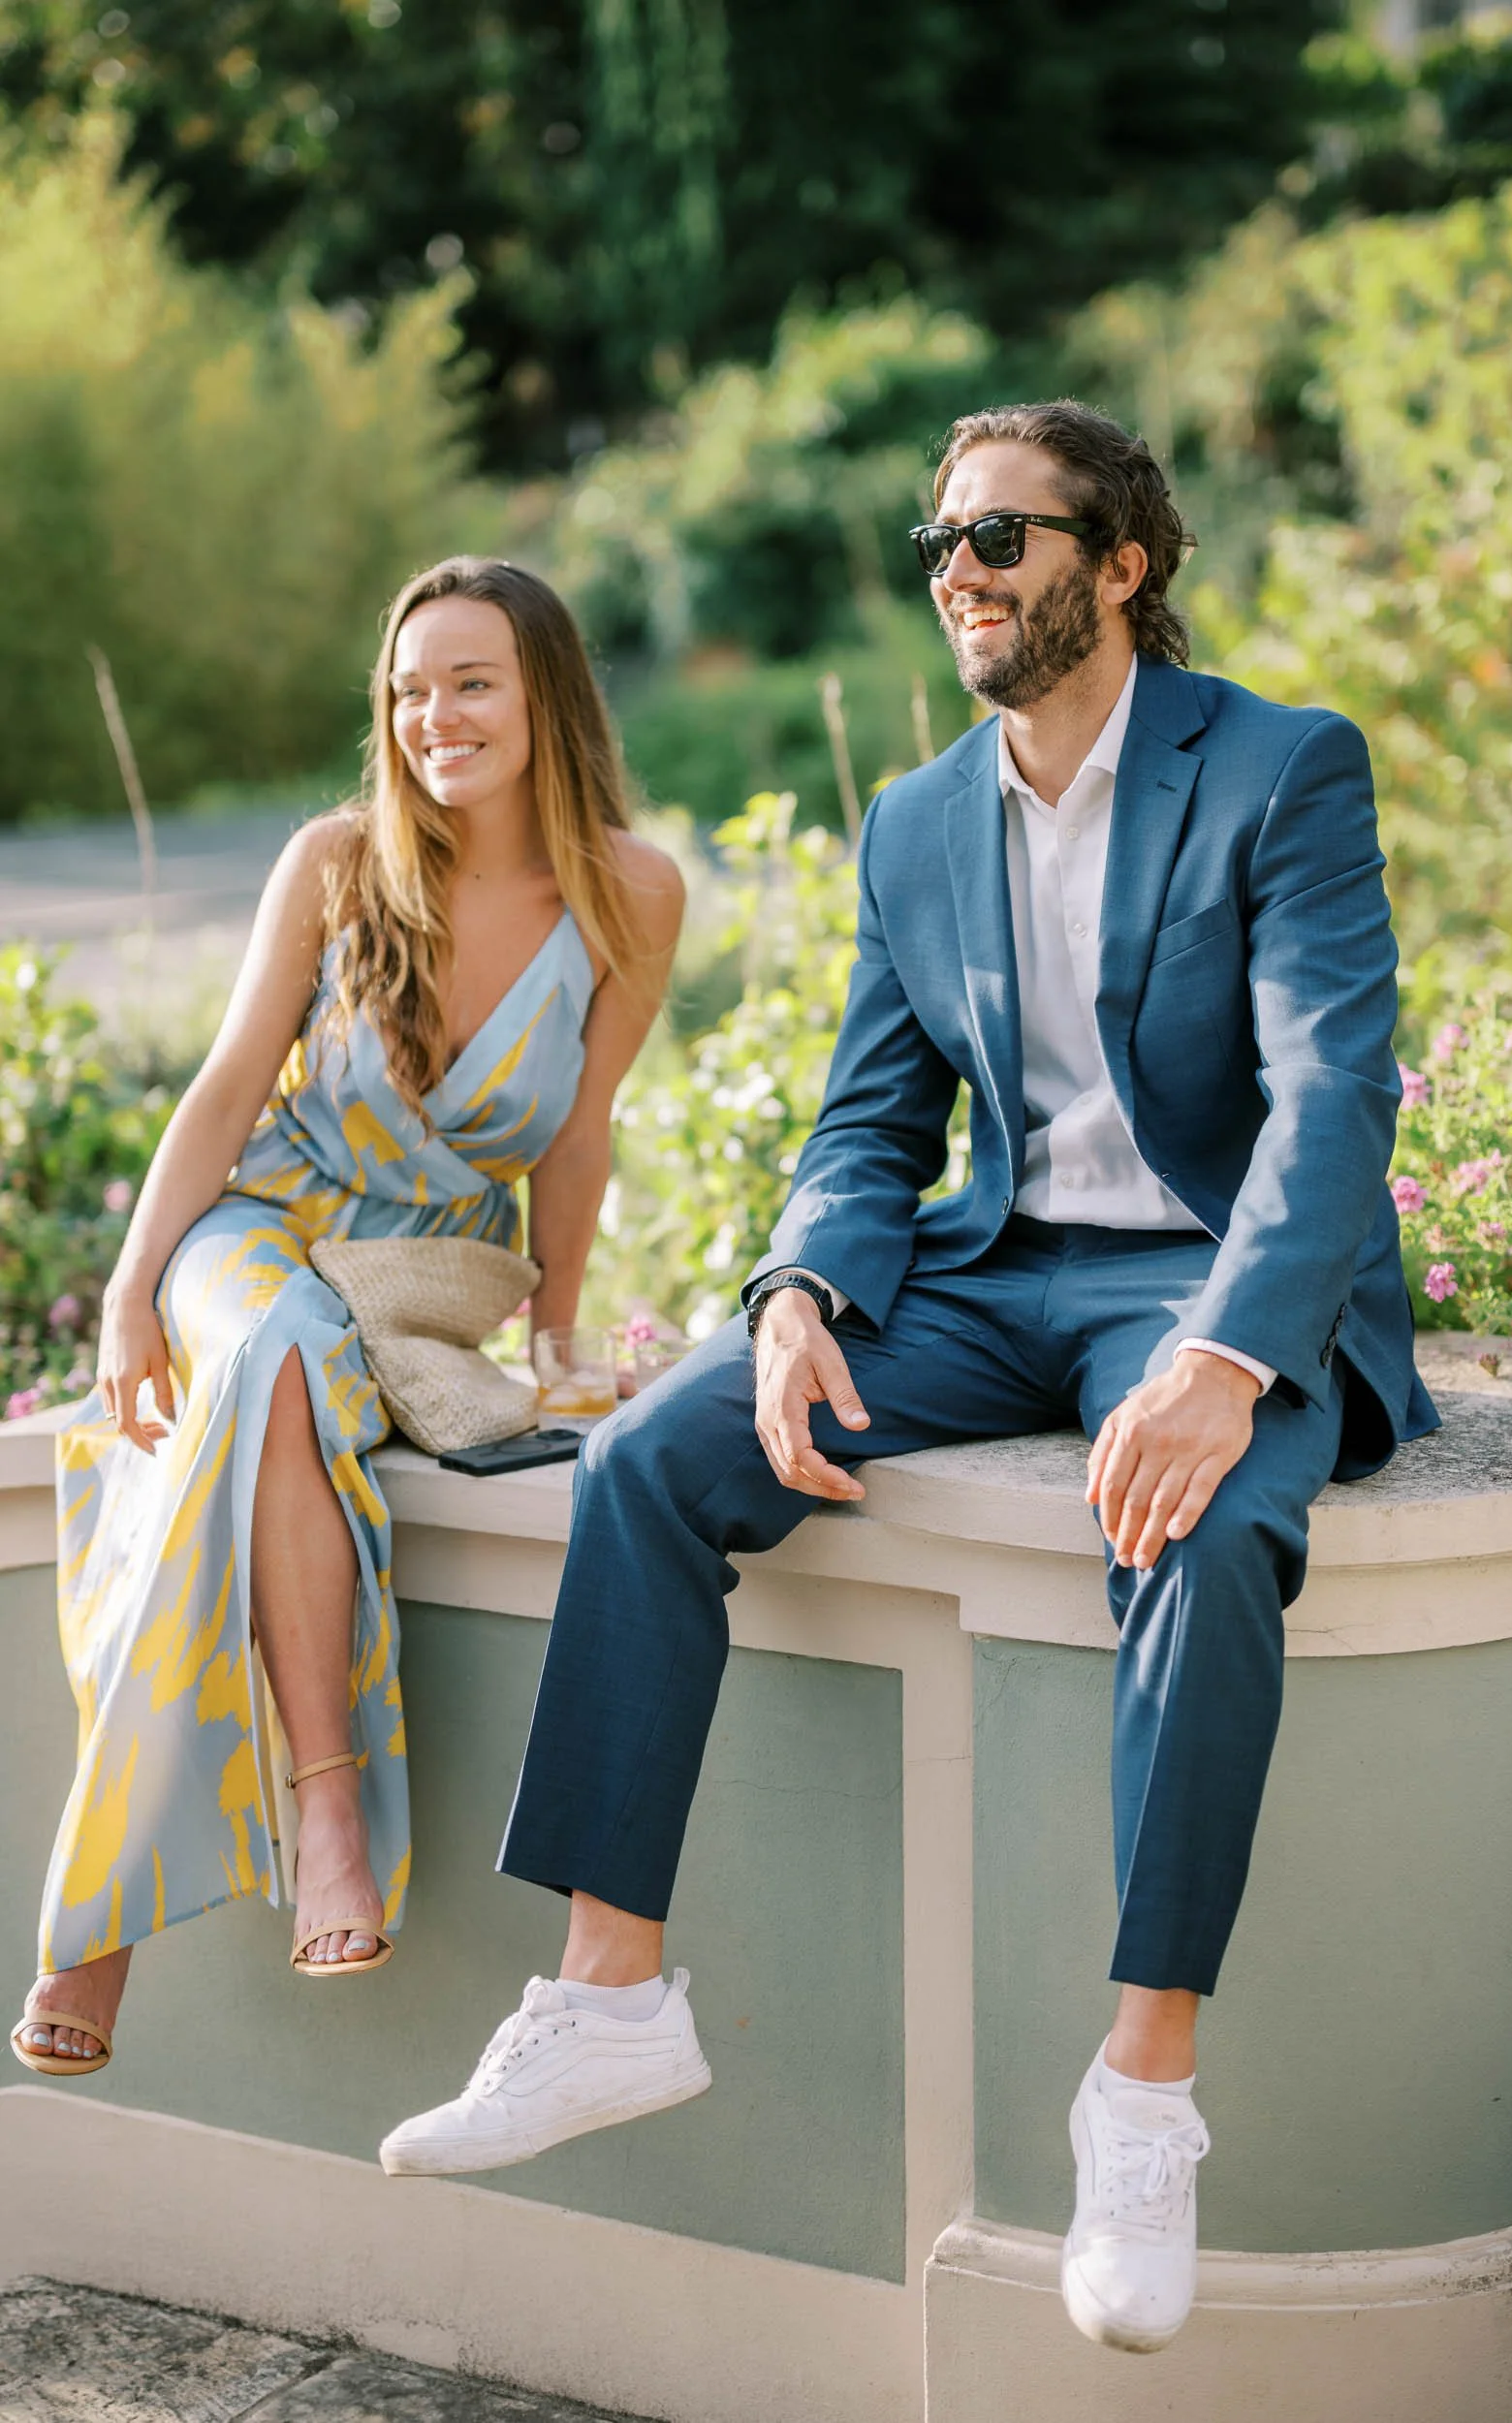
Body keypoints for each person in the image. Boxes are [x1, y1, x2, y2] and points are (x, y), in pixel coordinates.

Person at [381, 406, 1437, 2356]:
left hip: (1197, 1275)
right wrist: (794, 1291)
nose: (958, 571)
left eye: (1000, 538)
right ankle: (608, 1995)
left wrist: (1224, 1356)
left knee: (1202, 1527)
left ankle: (1141, 2092)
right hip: (995, 1271)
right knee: (658, 1448)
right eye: (938, 541)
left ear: (1119, 562)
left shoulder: (1276, 766)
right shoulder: (918, 820)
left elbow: (1328, 1094)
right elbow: (871, 1120)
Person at [10, 557, 682, 2080]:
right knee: (274, 1350)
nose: (434, 716)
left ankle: (99, 1924)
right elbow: (228, 1087)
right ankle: (327, 1810)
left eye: (471, 682)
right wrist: (131, 1294)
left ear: (546, 694)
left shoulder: (629, 892)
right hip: (252, 1236)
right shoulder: (334, 863)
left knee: (260, 1407)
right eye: (409, 689)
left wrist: (559, 1337)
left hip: (421, 1282)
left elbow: (577, 1137)